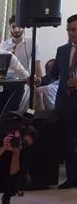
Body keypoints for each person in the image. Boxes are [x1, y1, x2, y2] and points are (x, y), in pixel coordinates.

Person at [36, 14, 77, 189]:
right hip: (65, 103)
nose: (70, 33)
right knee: (68, 140)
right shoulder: (63, 50)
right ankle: (72, 178)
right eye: (68, 30)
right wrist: (38, 80)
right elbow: (53, 75)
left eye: (74, 29)